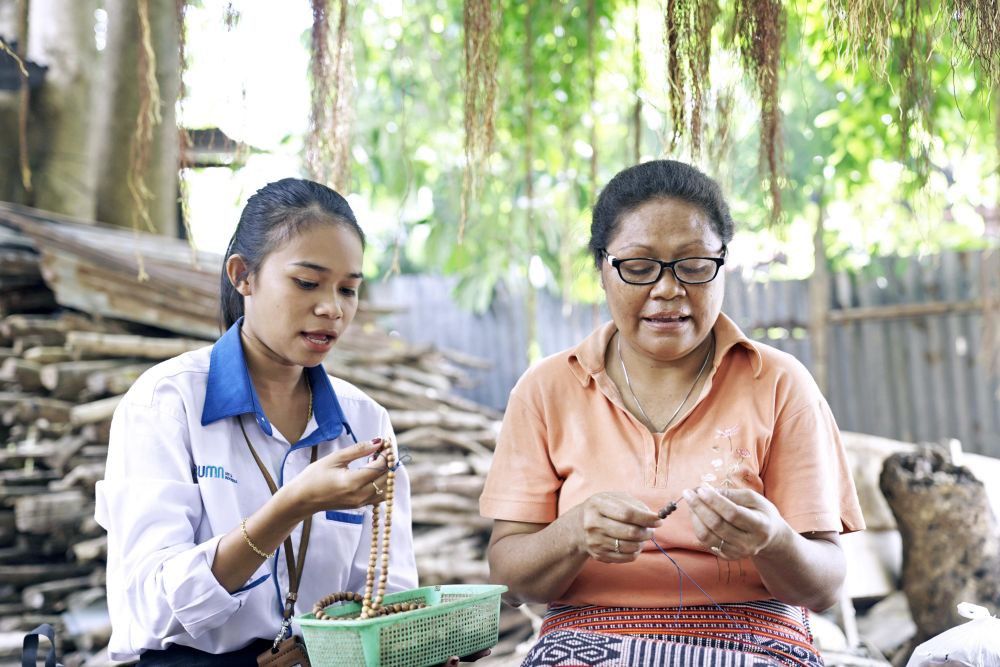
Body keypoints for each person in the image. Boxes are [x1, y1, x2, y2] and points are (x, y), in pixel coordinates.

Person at [480, 160, 865, 666]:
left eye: (694, 265)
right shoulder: (547, 389)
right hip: (583, 647)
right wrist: (571, 534)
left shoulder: (779, 383)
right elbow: (508, 578)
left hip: (756, 643)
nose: (667, 289)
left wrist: (774, 540)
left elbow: (824, 586)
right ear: (602, 269)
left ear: (723, 263)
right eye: (638, 268)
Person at [95, 178, 418, 664]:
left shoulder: (364, 421)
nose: (332, 307)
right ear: (243, 276)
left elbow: (387, 596)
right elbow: (153, 606)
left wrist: (324, 653)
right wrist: (289, 507)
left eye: (348, 289)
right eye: (307, 282)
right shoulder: (166, 403)